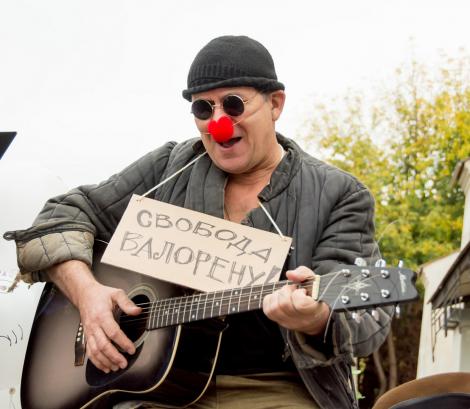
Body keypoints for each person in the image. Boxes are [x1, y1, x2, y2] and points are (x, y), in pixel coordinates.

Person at [4, 35, 392, 409]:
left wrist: (316, 319)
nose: (217, 122)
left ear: (275, 104)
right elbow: (61, 215)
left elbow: (362, 323)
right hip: (153, 393)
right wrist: (88, 296)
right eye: (203, 109)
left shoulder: (339, 193)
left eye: (233, 104)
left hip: (277, 388)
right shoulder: (167, 168)